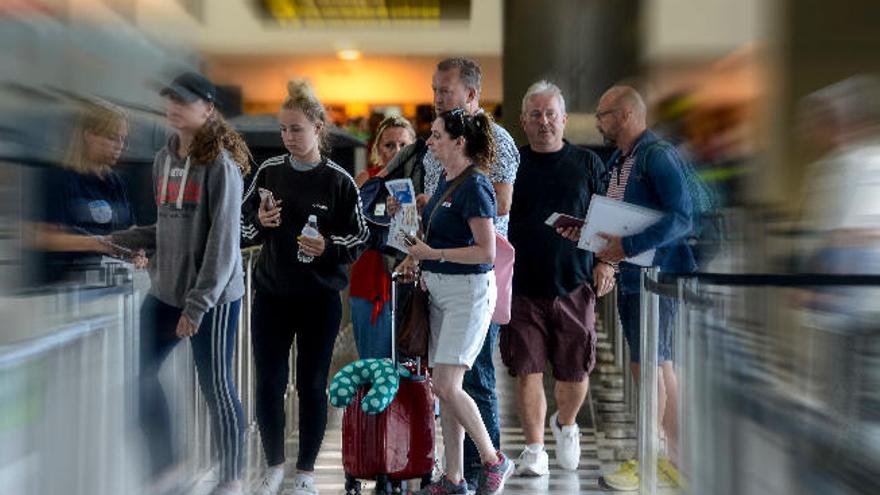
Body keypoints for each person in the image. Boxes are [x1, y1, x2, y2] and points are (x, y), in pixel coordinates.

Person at [72, 72, 251, 495]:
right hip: (165, 290)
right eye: (171, 99)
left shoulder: (221, 168)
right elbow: (169, 229)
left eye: (184, 100)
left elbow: (222, 247)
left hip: (214, 297)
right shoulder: (163, 159)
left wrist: (197, 306)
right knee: (139, 376)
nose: (174, 106)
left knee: (216, 388)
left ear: (207, 109)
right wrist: (116, 239)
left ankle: (233, 477)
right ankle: (169, 464)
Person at [386, 57, 519, 491]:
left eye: (437, 136)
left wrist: (431, 250)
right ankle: (454, 475)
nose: (429, 141)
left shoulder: (477, 180)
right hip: (440, 287)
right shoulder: (446, 176)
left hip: (468, 290)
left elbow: (485, 246)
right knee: (445, 388)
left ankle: (493, 459)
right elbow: (436, 223)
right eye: (435, 89)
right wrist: (420, 221)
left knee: (454, 382)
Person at [560, 85, 695, 491]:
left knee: (653, 366)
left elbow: (681, 217)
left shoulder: (655, 156)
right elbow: (622, 217)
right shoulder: (623, 159)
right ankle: (673, 459)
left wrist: (628, 246)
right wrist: (590, 236)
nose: (599, 124)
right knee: (654, 365)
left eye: (602, 115)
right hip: (635, 278)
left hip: (655, 280)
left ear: (624, 115)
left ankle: (652, 459)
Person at [241, 80, 368, 495]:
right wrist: (261, 223)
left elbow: (359, 239)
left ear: (317, 127)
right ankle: (273, 465)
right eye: (283, 130)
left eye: (296, 128)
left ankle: (307, 472)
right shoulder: (268, 172)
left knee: (313, 383)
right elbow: (241, 230)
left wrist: (327, 245)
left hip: (319, 299)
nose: (288, 137)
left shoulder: (339, 181)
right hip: (272, 295)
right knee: (269, 383)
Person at [502, 81, 611, 476]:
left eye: (550, 114)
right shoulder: (511, 164)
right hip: (522, 286)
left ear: (563, 119)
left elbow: (608, 219)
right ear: (523, 122)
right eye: (535, 115)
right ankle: (534, 450)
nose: (544, 121)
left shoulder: (587, 165)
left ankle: (566, 425)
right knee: (527, 368)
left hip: (576, 283)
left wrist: (607, 264)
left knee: (574, 371)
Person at [28, 99, 143, 280]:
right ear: (88, 135)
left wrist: (139, 249)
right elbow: (43, 237)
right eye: (112, 137)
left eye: (123, 139)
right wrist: (97, 243)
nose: (119, 146)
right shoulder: (60, 177)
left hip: (109, 283)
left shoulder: (116, 182)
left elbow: (131, 230)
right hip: (65, 287)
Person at [350, 115, 416, 359]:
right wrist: (380, 213)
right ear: (378, 148)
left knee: (411, 369)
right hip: (370, 282)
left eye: (403, 145)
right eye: (389, 145)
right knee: (373, 365)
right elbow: (350, 226)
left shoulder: (423, 183)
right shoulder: (367, 179)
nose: (397, 151)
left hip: (411, 281)